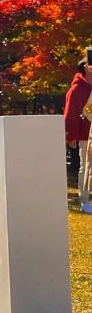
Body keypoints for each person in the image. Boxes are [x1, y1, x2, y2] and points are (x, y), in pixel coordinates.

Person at [63, 58, 92, 213]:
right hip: (86, 135)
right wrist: (71, 135)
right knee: (87, 167)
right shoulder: (76, 89)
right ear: (87, 68)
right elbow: (71, 114)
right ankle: (85, 201)